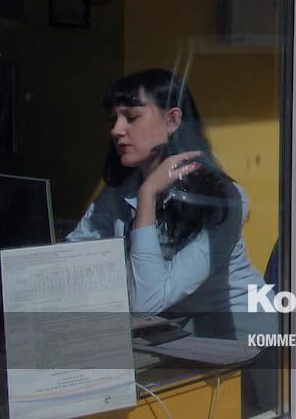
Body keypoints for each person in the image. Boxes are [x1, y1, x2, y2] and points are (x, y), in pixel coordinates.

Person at [66, 69, 276, 412]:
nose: (116, 130)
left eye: (131, 117)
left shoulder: (224, 200)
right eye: (113, 119)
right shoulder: (120, 191)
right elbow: (74, 256)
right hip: (171, 332)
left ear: (173, 120)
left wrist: (148, 197)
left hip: (240, 338)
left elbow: (147, 300)